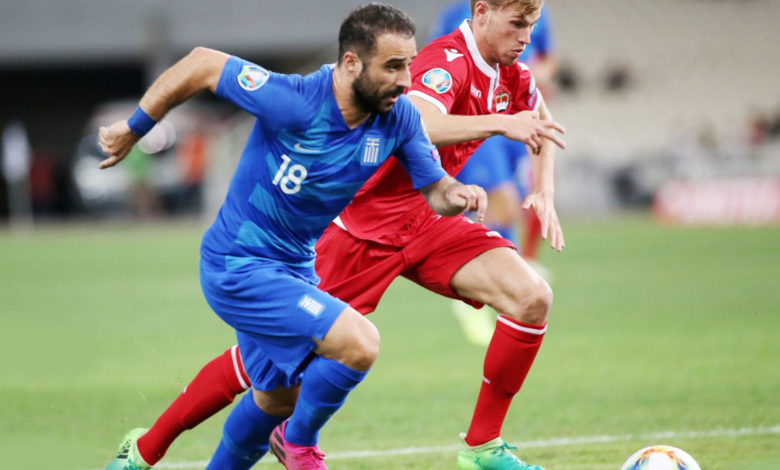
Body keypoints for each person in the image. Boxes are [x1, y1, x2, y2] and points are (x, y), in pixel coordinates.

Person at [105, 1, 566, 469]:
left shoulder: (407, 112)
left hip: (383, 236)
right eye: (394, 67)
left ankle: (481, 445)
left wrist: (483, 193)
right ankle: (220, 447)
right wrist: (134, 127)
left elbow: (448, 172)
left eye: (407, 66)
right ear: (351, 63)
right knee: (294, 364)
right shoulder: (306, 97)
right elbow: (203, 63)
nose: (406, 80)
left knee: (530, 297)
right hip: (296, 248)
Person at [431, 1, 559, 346]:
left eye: (529, 26)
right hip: (478, 119)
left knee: (512, 204)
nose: (525, 36)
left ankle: (506, 279)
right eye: (517, 25)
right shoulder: (458, 16)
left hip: (508, 109)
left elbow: (548, 61)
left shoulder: (534, 13)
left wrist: (545, 190)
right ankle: (477, 292)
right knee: (502, 201)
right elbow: (432, 93)